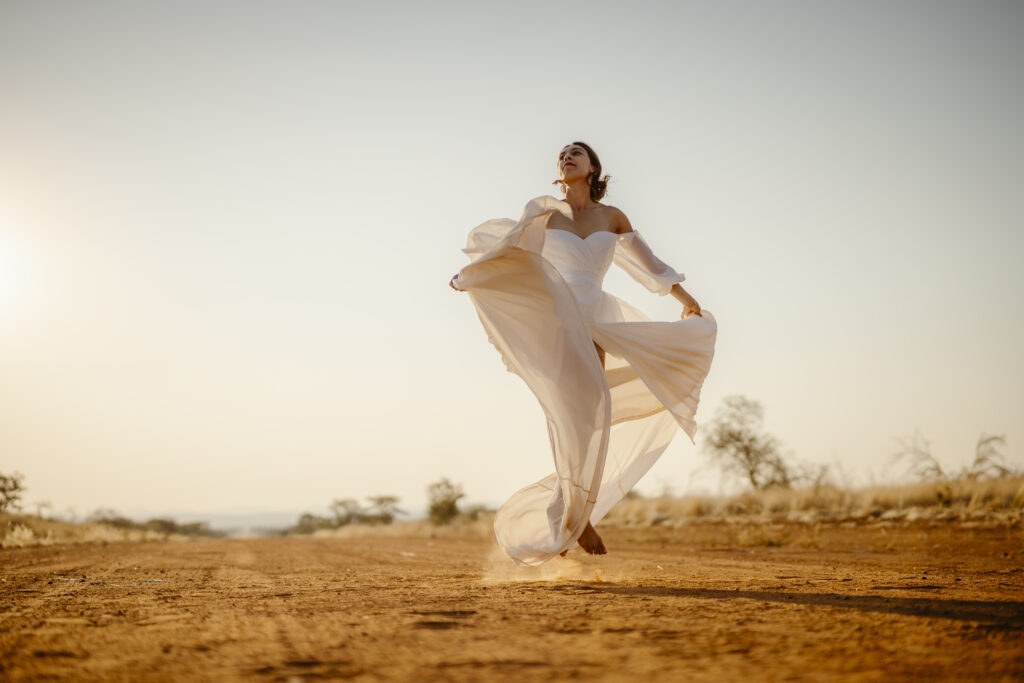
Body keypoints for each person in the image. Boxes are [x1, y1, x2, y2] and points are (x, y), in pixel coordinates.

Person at [450, 141, 717, 566]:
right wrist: (472, 275)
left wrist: (687, 298)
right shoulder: (544, 212)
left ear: (593, 168)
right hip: (558, 319)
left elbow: (649, 265)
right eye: (562, 154)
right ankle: (576, 516)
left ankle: (569, 509)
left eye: (577, 152)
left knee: (593, 412)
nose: (567, 156)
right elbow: (510, 251)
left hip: (596, 319)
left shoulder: (612, 218)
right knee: (569, 412)